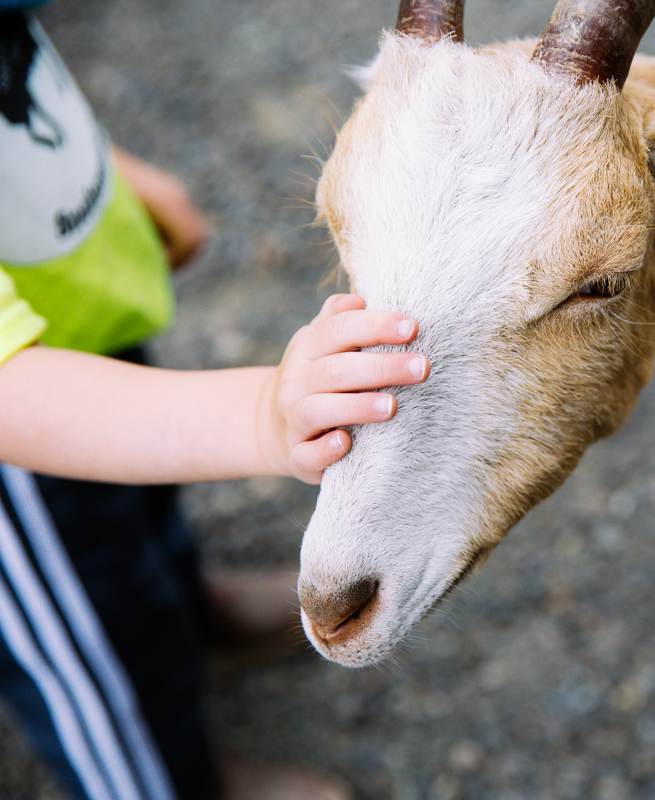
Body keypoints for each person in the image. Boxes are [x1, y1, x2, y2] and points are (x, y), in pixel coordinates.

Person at [0, 5, 423, 800]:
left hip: (75, 331)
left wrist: (106, 171)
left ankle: (183, 601)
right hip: (19, 464)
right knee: (90, 638)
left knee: (135, 506)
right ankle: (166, 780)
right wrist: (265, 414)